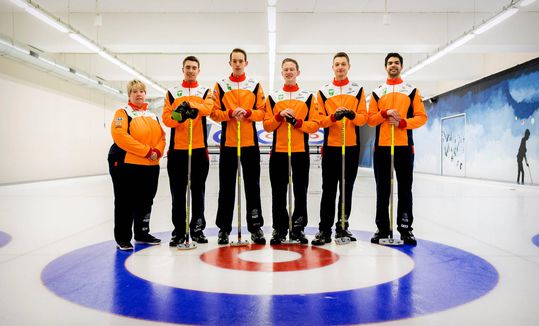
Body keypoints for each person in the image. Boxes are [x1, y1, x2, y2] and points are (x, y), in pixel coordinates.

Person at [367, 52, 428, 245]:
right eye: (390, 63)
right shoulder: (378, 92)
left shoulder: (411, 90)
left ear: (401, 66)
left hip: (404, 147)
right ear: (385, 67)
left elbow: (421, 117)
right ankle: (382, 229)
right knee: (382, 189)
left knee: (405, 189)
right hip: (382, 148)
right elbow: (370, 119)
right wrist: (384, 113)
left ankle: (405, 228)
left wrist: (403, 123)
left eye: (396, 62)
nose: (393, 65)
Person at [210, 48, 266, 245]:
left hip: (250, 143)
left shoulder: (255, 85)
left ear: (246, 63)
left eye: (241, 61)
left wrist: (249, 113)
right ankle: (224, 229)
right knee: (226, 187)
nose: (237, 64)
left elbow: (262, 112)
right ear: (230, 63)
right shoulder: (221, 85)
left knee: (253, 187)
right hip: (229, 143)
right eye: (234, 61)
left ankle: (256, 226)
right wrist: (231, 113)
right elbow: (214, 113)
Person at [311, 52, 368, 246]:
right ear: (332, 67)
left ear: (348, 66)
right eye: (337, 64)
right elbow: (320, 121)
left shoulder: (358, 90)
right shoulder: (324, 91)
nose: (340, 67)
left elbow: (363, 118)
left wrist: (352, 115)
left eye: (343, 64)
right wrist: (334, 118)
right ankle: (324, 230)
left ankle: (342, 226)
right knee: (328, 190)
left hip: (351, 147)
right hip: (331, 148)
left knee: (347, 189)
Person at [264, 58, 320, 245]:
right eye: (285, 69)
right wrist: (279, 117)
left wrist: (297, 123)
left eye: (292, 69)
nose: (289, 72)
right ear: (282, 73)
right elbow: (267, 126)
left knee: (300, 191)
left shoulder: (308, 97)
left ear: (298, 72)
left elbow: (314, 125)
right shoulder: (273, 97)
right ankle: (279, 229)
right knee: (278, 192)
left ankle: (298, 228)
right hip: (278, 152)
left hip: (300, 152)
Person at [108, 80, 166, 250]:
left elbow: (162, 137)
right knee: (125, 201)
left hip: (150, 165)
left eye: (142, 91)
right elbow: (120, 136)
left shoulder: (152, 115)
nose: (139, 94)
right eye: (134, 91)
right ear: (129, 95)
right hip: (127, 164)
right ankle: (123, 238)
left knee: (146, 200)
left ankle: (142, 232)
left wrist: (158, 151)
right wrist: (147, 151)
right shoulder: (123, 113)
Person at [162, 56, 213, 246]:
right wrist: (180, 116)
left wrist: (192, 105)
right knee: (178, 192)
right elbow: (167, 118)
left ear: (199, 70)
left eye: (194, 68)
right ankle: (179, 231)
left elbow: (208, 108)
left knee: (198, 191)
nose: (190, 70)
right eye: (187, 67)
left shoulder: (205, 91)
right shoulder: (172, 92)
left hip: (199, 150)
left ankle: (198, 229)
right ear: (182, 69)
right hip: (178, 150)